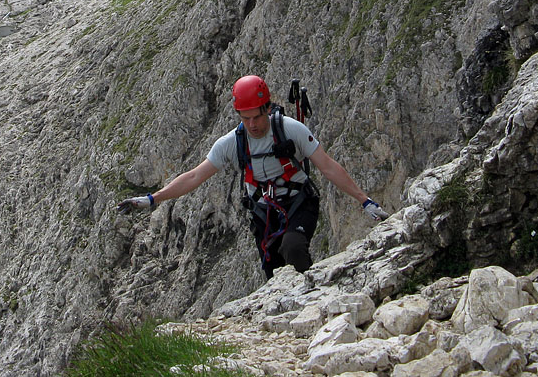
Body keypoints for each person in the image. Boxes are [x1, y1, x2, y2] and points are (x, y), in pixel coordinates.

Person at [117, 75, 388, 278]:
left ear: (267, 109)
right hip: (264, 212)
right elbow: (193, 177)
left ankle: (311, 296)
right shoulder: (231, 144)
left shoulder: (291, 130)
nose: (252, 125)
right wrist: (152, 199)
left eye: (256, 117)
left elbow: (327, 166)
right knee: (272, 272)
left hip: (300, 202)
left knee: (294, 248)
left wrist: (365, 202)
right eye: (245, 119)